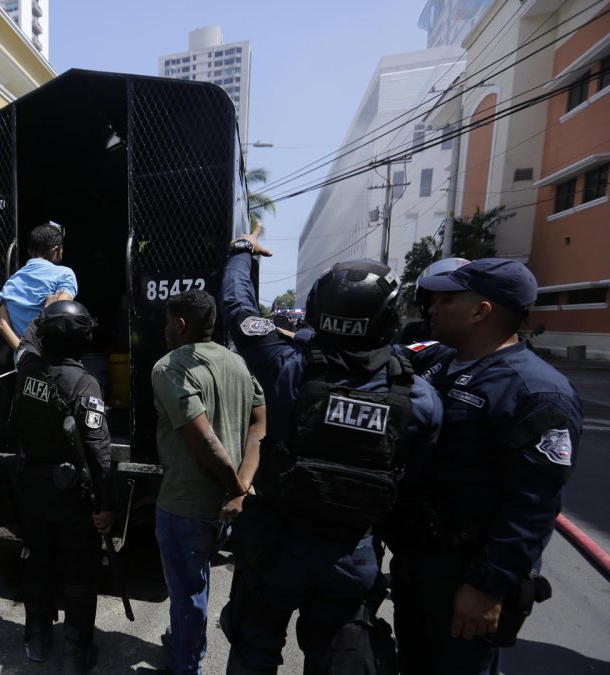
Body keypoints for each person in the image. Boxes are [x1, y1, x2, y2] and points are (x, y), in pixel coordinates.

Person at [219, 228, 442, 675]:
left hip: (275, 548)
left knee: (253, 650)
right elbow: (414, 481)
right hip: (352, 556)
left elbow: (237, 306)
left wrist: (242, 251)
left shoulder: (285, 367)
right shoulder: (419, 398)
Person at [388, 258, 583, 675]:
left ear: (481, 311)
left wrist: (486, 587)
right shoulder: (440, 359)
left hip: (467, 574)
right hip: (417, 559)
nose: (432, 308)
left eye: (446, 300)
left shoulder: (537, 392)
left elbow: (533, 505)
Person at [151, 290, 266, 675]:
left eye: (168, 323)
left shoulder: (169, 368)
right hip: (228, 507)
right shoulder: (238, 363)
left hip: (186, 505)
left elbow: (204, 441)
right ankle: (183, 646)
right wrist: (242, 486)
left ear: (181, 325)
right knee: (195, 590)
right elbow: (259, 426)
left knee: (188, 596)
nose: (166, 330)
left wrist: (235, 486)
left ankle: (186, 667)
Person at [12, 300, 114, 673]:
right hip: (72, 496)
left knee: (37, 562)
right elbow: (99, 450)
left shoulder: (26, 372)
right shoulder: (85, 383)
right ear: (85, 340)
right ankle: (76, 652)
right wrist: (107, 504)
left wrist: (44, 313)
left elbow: (27, 342)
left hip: (31, 489)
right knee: (80, 571)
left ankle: (37, 639)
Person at [0, 223, 78, 350]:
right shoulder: (64, 274)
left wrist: (24, 352)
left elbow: (2, 325)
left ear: (29, 251)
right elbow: (61, 309)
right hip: (54, 357)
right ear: (56, 249)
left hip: (23, 359)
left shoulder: (11, 282)